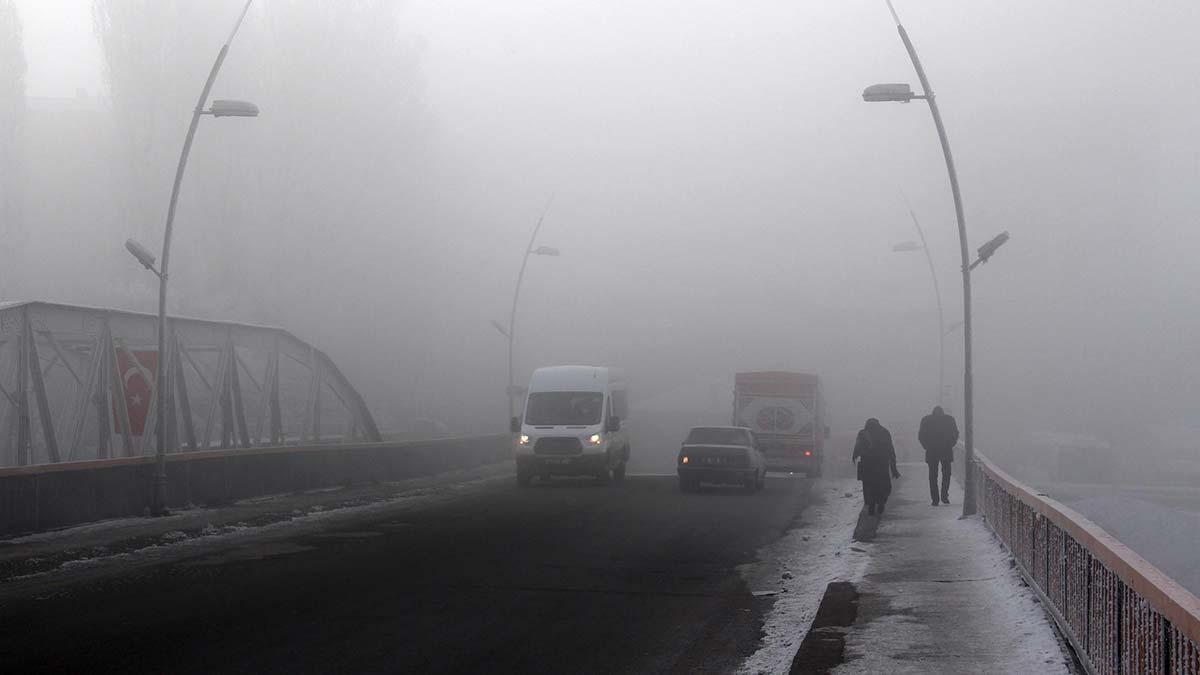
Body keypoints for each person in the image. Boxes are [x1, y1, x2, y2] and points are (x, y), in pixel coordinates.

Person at [852, 418, 901, 516]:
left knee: (869, 485)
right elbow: (890, 449)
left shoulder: (863, 433)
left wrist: (854, 456)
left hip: (867, 464)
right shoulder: (884, 432)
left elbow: (857, 447)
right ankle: (881, 500)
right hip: (882, 464)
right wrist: (893, 467)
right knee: (884, 485)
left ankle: (871, 503)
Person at [918, 406, 959, 506]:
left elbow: (921, 435)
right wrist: (950, 444)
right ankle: (944, 496)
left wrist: (926, 446)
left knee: (932, 476)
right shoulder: (949, 420)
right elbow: (955, 434)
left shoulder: (926, 420)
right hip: (946, 451)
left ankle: (935, 499)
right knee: (946, 475)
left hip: (932, 451)